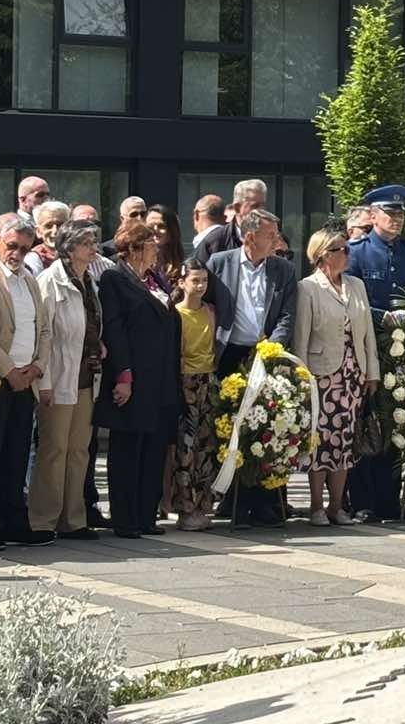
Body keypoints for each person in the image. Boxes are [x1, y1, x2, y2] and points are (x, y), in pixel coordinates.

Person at [209, 207, 297, 526]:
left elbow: (287, 314)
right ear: (249, 237)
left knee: (267, 425)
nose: (276, 240)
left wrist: (273, 346)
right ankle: (232, 499)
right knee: (232, 426)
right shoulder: (220, 263)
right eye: (269, 235)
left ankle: (264, 501)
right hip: (230, 354)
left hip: (266, 354)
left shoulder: (283, 270)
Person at [0, 214, 51, 551]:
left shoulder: (29, 278)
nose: (17, 253)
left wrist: (36, 366)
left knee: (17, 454)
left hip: (26, 380)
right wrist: (9, 371)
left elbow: (44, 328)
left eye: (24, 248)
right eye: (11, 246)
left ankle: (14, 520)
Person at [95, 220, 182, 537]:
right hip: (134, 377)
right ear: (133, 248)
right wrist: (123, 375)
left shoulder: (154, 279)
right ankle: (126, 518)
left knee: (154, 448)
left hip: (160, 378)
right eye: (150, 243)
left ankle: (146, 515)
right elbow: (115, 329)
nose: (156, 248)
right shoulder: (114, 278)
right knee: (128, 449)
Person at [346, 187, 405, 521]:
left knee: (396, 421)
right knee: (365, 422)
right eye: (390, 214)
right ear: (373, 216)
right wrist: (383, 317)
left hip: (403, 349)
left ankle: (389, 499)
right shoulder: (357, 252)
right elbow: (351, 299)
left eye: (400, 214)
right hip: (368, 345)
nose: (396, 220)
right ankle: (362, 500)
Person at [293, 227, 377, 526]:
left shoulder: (356, 285)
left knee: (345, 441)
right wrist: (302, 378)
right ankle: (316, 506)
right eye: (341, 249)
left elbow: (368, 333)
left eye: (347, 248)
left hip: (353, 375)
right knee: (321, 441)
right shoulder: (308, 288)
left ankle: (337, 506)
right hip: (322, 375)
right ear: (323, 255)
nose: (347, 254)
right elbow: (301, 337)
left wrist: (372, 372)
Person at [31, 219, 103, 540]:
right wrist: (43, 382)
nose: (94, 248)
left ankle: (73, 519)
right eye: (87, 243)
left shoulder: (90, 280)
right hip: (58, 376)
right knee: (54, 450)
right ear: (69, 248)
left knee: (78, 450)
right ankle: (43, 519)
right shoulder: (49, 282)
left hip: (86, 376)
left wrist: (98, 343)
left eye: (94, 242)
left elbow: (90, 323)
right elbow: (43, 335)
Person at [168, 264, 221, 531]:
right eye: (195, 280)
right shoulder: (176, 314)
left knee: (206, 445)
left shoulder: (210, 312)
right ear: (182, 282)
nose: (200, 286)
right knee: (185, 448)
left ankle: (202, 505)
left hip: (207, 381)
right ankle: (185, 509)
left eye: (204, 281)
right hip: (185, 381)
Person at [27, 201, 72, 276]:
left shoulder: (80, 254)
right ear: (38, 231)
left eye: (60, 225)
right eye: (48, 226)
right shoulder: (34, 259)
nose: (55, 231)